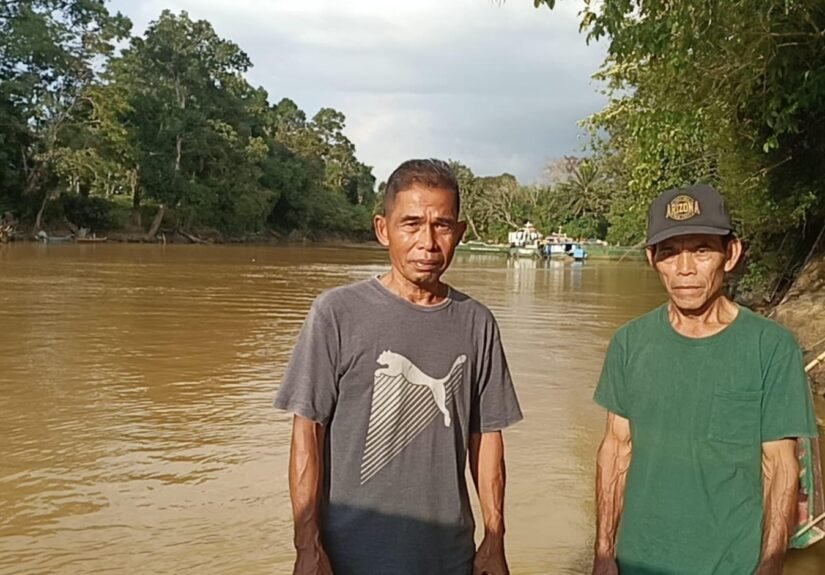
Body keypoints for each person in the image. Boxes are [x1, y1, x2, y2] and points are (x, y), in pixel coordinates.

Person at [275, 159, 523, 575]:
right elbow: (307, 434)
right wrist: (307, 544)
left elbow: (487, 440)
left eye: (442, 225)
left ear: (460, 233)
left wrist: (494, 539)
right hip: (347, 558)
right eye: (411, 224)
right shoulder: (336, 314)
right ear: (382, 229)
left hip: (449, 558)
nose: (428, 242)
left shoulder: (476, 322)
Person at [591, 183, 818, 575]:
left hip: (734, 564)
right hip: (637, 560)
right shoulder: (629, 343)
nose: (685, 269)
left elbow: (780, 467)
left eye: (701, 250)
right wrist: (603, 553)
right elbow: (615, 451)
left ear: (731, 254)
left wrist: (770, 564)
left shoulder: (771, 347)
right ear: (652, 259)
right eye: (669, 252)